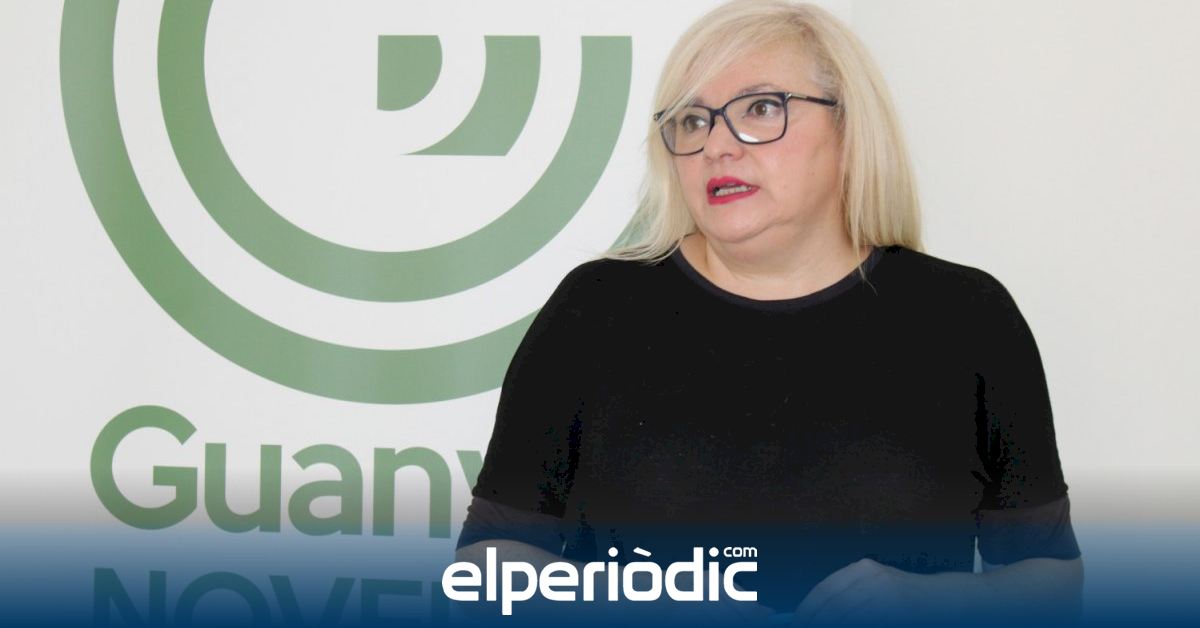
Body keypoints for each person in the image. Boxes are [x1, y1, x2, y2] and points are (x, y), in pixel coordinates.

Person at [455, 0, 1083, 625]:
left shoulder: (968, 318)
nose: (716, 146)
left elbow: (1054, 584)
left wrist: (928, 602)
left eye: (760, 109)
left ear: (850, 130)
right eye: (693, 121)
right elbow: (487, 570)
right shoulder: (595, 310)